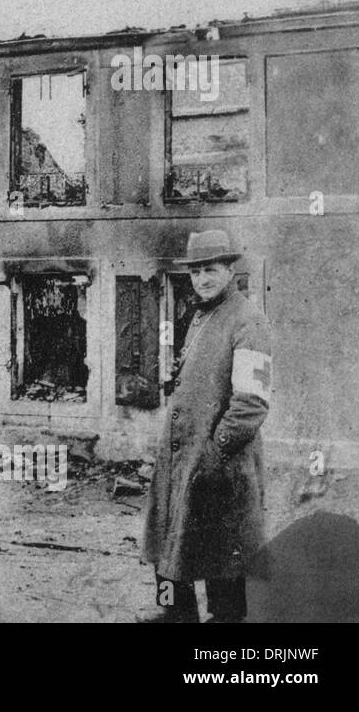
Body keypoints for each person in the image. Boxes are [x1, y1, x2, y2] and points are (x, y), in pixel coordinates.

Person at [141, 230, 272, 623]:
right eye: (196, 271)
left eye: (210, 270)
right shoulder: (201, 315)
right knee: (166, 542)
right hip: (181, 457)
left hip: (221, 462)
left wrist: (216, 453)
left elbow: (252, 403)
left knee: (222, 557)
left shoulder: (249, 321)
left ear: (229, 270)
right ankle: (170, 612)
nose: (202, 279)